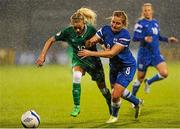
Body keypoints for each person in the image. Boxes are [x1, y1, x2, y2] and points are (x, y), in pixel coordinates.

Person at [36, 7, 111, 117]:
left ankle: (110, 103)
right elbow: (50, 40)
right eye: (74, 27)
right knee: (76, 76)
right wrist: (42, 55)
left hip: (93, 61)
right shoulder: (68, 32)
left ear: (83, 22)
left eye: (79, 27)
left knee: (103, 89)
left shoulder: (91, 30)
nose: (77, 30)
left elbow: (100, 41)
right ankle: (77, 106)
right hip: (79, 59)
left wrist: (106, 49)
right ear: (71, 24)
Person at [78, 10, 143, 123]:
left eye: (118, 23)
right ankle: (137, 102)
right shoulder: (105, 29)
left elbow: (111, 53)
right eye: (113, 22)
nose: (114, 25)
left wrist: (90, 53)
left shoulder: (125, 35)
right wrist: (89, 41)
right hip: (114, 67)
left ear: (123, 24)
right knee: (118, 93)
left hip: (126, 66)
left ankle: (114, 116)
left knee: (115, 94)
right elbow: (92, 41)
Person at [131, 3, 178, 96]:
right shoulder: (140, 23)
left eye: (149, 10)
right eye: (145, 10)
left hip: (155, 54)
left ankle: (149, 81)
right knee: (140, 78)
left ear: (152, 11)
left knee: (164, 73)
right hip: (144, 55)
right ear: (143, 12)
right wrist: (144, 38)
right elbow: (135, 37)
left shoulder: (155, 22)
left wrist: (167, 39)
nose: (147, 12)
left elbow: (158, 36)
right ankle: (133, 98)